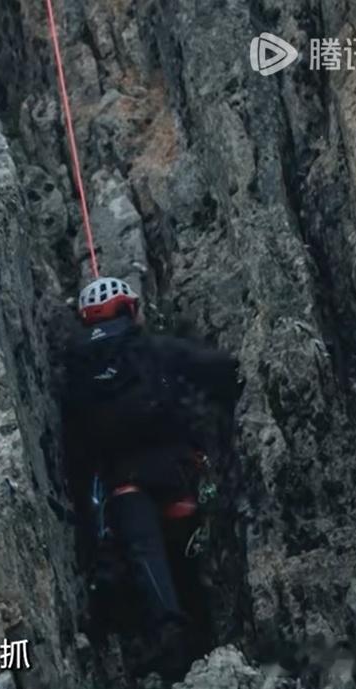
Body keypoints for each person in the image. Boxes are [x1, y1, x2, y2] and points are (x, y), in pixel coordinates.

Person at [60, 277, 243, 679]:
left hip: (123, 488)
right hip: (174, 475)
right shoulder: (150, 349)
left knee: (145, 552)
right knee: (190, 556)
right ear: (128, 308)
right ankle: (217, 636)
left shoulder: (76, 370)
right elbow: (217, 369)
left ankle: (169, 634)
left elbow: (77, 449)